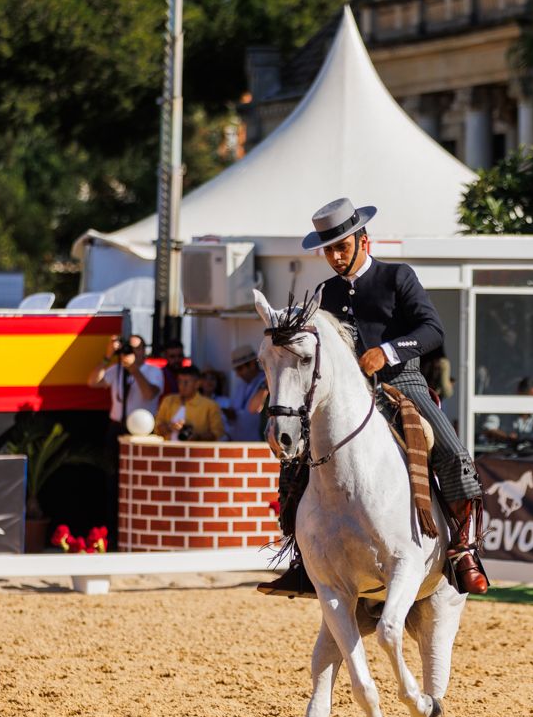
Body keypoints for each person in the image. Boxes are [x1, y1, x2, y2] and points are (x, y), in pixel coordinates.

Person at [261, 197, 488, 598]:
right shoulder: (324, 292)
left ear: (364, 241)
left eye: (341, 247)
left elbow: (432, 329)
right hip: (344, 395)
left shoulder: (398, 277)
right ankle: (303, 556)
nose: (334, 256)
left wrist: (388, 351)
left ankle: (461, 549)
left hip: (403, 384)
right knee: (296, 461)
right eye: (328, 250)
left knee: (452, 453)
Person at [87, 334, 161, 437]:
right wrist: (108, 356)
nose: (133, 352)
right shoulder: (117, 369)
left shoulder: (154, 371)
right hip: (117, 426)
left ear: (144, 351)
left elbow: (149, 395)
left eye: (137, 349)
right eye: (130, 349)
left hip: (142, 428)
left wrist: (133, 369)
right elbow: (93, 382)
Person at [155, 365, 224, 441]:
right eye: (179, 381)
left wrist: (198, 437)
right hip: (168, 450)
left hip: (196, 452)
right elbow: (157, 426)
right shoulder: (168, 400)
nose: (182, 386)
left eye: (186, 382)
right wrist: (169, 427)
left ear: (197, 383)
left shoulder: (211, 406)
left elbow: (217, 434)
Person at [227, 345, 268, 442]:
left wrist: (265, 386)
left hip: (257, 445)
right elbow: (235, 411)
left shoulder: (266, 381)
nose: (238, 374)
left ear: (252, 364)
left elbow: (254, 409)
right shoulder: (241, 384)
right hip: (239, 444)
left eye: (239, 369)